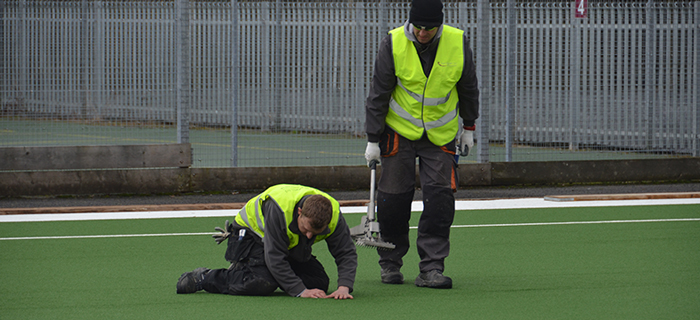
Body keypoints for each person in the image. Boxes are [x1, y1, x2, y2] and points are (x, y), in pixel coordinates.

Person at [364, 0, 479, 289]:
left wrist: (469, 127)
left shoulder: (457, 42)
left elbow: (468, 87)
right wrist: (372, 140)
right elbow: (378, 94)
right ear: (410, 22)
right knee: (392, 200)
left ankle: (431, 268)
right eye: (418, 27)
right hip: (398, 133)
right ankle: (390, 263)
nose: (423, 32)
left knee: (440, 200)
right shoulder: (393, 43)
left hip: (440, 136)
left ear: (439, 24)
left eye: (429, 28)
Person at [176, 184, 358, 299]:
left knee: (319, 284)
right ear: (300, 212)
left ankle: (262, 272)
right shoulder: (279, 209)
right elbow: (275, 257)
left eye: (316, 232)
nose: (310, 236)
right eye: (307, 229)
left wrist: (344, 287)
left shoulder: (333, 215)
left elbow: (346, 252)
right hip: (249, 237)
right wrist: (300, 290)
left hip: (289, 245)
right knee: (264, 282)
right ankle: (205, 277)